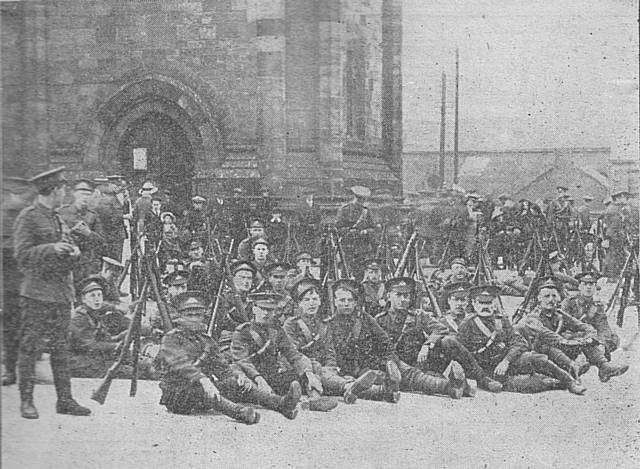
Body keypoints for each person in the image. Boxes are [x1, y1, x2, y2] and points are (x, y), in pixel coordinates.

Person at [13, 167, 91, 418]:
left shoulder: (57, 218)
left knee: (61, 348)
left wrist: (73, 253)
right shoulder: (28, 217)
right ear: (53, 191)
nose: (64, 194)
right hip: (36, 293)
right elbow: (21, 255)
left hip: (59, 294)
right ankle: (27, 401)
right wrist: (51, 248)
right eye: (62, 190)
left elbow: (66, 250)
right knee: (30, 347)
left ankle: (65, 400)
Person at [155, 291, 302, 423]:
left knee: (235, 384)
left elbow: (222, 367)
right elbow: (181, 364)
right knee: (200, 389)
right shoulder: (171, 339)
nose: (194, 319)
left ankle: (281, 404)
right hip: (178, 395)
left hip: (205, 389)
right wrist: (203, 379)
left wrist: (236, 377)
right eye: (189, 315)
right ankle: (239, 412)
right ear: (180, 317)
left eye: (198, 315)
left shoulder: (206, 340)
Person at [458, 284, 586, 394]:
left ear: (494, 304)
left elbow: (519, 342)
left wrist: (506, 360)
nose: (485, 307)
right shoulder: (467, 325)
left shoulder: (502, 320)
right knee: (531, 385)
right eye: (481, 303)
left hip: (508, 362)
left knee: (536, 358)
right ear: (474, 304)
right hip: (488, 371)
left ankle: (570, 382)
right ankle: (557, 383)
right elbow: (462, 354)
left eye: (489, 303)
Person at [283, 278, 378, 405]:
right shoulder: (291, 324)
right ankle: (350, 387)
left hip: (323, 373)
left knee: (328, 375)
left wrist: (331, 369)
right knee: (319, 369)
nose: (311, 303)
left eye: (315, 299)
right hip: (299, 371)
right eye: (306, 300)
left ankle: (382, 392)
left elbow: (330, 352)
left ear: (320, 302)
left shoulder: (323, 324)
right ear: (299, 304)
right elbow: (293, 354)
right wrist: (315, 369)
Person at [374, 277, 470, 399]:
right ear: (388, 296)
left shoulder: (419, 315)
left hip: (419, 361)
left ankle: (466, 382)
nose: (403, 300)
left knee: (448, 341)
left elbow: (441, 329)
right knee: (414, 378)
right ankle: (457, 386)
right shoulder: (379, 319)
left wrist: (427, 344)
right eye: (398, 295)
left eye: (406, 296)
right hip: (396, 365)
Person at [518, 279, 628, 385]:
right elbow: (550, 336)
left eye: (554, 296)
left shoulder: (558, 314)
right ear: (539, 298)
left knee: (586, 342)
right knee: (551, 347)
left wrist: (589, 337)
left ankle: (604, 367)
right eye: (547, 296)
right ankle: (573, 370)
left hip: (557, 348)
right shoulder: (532, 318)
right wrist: (577, 342)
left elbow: (584, 326)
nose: (551, 299)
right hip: (537, 354)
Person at [231, 292, 323, 407]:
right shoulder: (242, 332)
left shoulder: (276, 331)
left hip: (272, 377)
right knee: (245, 386)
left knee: (309, 369)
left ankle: (314, 400)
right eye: (262, 309)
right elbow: (242, 361)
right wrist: (258, 379)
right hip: (251, 377)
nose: (265, 313)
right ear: (254, 309)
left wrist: (308, 374)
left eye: (269, 310)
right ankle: (281, 401)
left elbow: (292, 354)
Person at [328, 279, 401, 403]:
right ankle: (386, 393)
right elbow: (329, 353)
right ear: (335, 302)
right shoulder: (329, 323)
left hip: (365, 368)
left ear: (356, 302)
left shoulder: (365, 319)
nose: (346, 304)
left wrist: (390, 362)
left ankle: (385, 385)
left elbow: (385, 342)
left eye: (350, 300)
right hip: (343, 370)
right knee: (346, 383)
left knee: (381, 375)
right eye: (342, 300)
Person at [2, 176, 34, 386]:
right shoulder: (11, 215)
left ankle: (12, 370)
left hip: (18, 284)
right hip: (18, 284)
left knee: (16, 327)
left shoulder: (14, 215)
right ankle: (15, 370)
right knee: (20, 327)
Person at [69, 276, 130, 378]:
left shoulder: (93, 313)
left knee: (136, 364)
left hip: (92, 360)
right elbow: (90, 345)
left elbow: (102, 338)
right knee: (130, 371)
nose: (97, 299)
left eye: (99, 295)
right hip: (80, 364)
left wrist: (119, 337)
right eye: (92, 296)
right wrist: (115, 346)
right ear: (84, 299)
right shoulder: (79, 318)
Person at [561, 271, 619, 360]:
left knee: (614, 338)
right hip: (572, 335)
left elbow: (603, 326)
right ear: (579, 286)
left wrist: (602, 344)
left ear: (595, 287)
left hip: (589, 336)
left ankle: (593, 353)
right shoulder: (569, 302)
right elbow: (563, 323)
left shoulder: (597, 306)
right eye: (585, 284)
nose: (588, 287)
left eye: (591, 284)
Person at [58, 179, 106, 283]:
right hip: (67, 264)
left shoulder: (93, 215)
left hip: (86, 266)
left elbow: (102, 242)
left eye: (88, 194)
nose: (85, 197)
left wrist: (88, 233)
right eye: (82, 194)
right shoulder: (62, 212)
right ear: (74, 194)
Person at [336, 186, 377, 279]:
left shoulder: (366, 211)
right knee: (346, 272)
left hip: (361, 247)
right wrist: (350, 231)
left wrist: (365, 231)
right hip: (348, 246)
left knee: (360, 273)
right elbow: (338, 228)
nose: (360, 203)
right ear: (355, 198)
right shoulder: (344, 209)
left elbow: (373, 228)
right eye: (359, 200)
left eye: (362, 200)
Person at [214, 261, 256, 352]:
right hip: (228, 344)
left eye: (249, 278)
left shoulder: (254, 301)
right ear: (233, 279)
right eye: (242, 277)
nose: (246, 281)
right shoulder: (222, 299)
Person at [94, 176, 127, 262]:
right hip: (114, 234)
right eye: (115, 185)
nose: (118, 188)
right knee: (114, 259)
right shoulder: (109, 199)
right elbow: (111, 216)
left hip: (114, 234)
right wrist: (122, 216)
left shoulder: (114, 198)